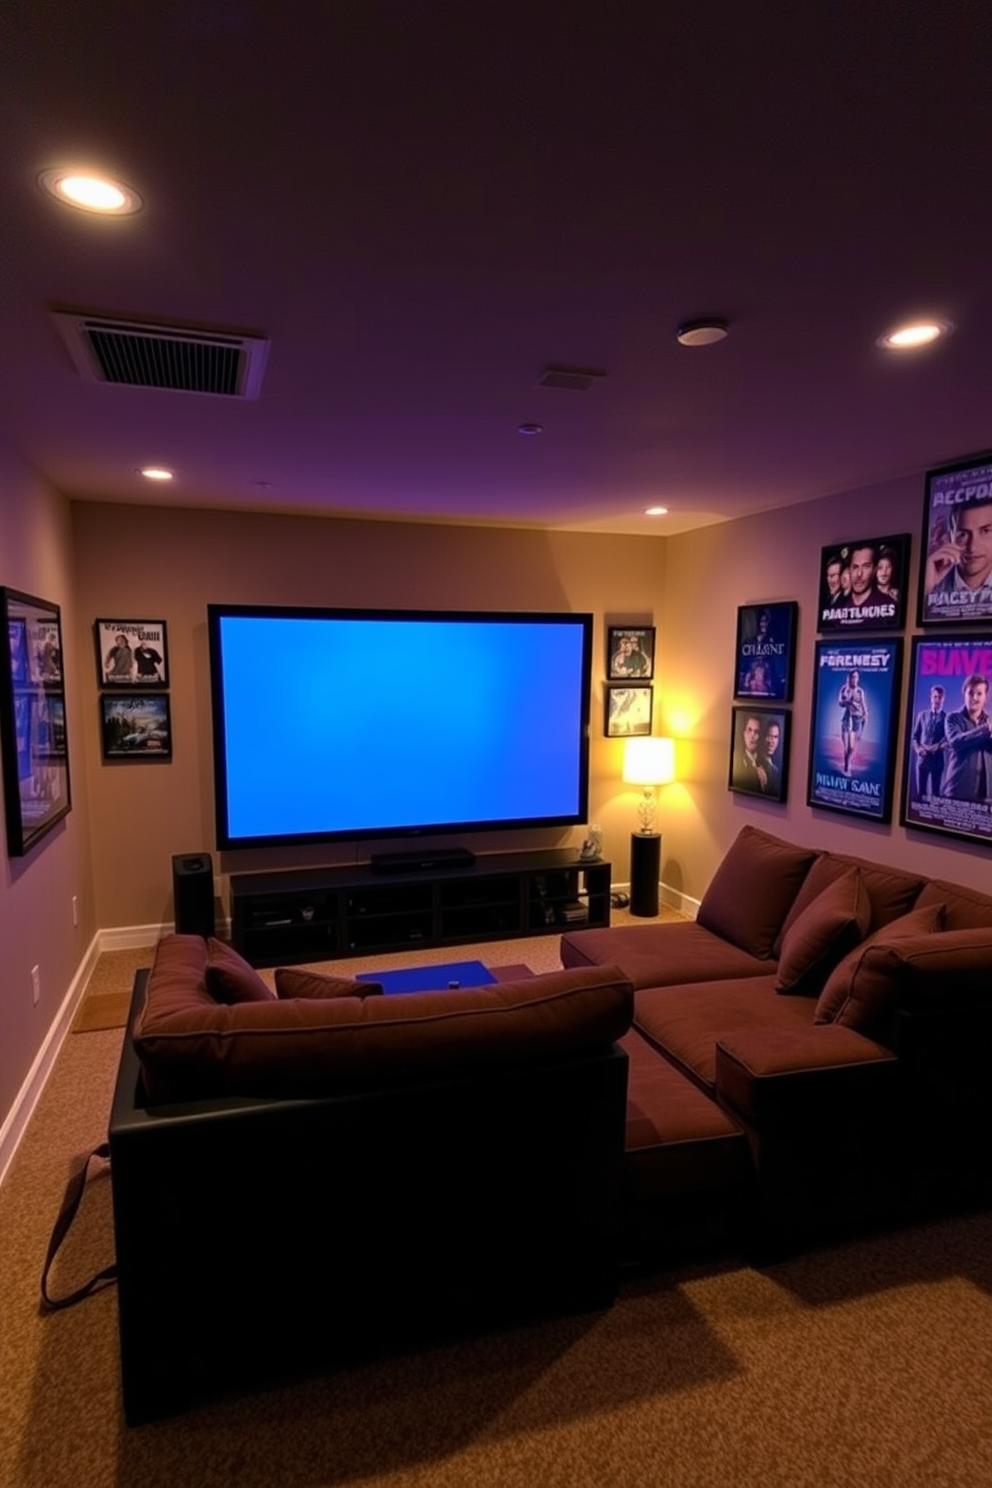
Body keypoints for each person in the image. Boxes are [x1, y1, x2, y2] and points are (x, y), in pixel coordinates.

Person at [925, 499, 992, 604]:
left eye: (985, 531)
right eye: (963, 534)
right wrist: (927, 590)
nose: (972, 547)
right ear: (951, 536)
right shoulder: (931, 585)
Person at [942, 674, 992, 802]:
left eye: (979, 694)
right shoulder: (952, 718)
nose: (974, 698)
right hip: (958, 792)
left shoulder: (989, 721)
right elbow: (956, 743)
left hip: (985, 794)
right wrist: (987, 729)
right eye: (971, 693)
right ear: (964, 694)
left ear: (986, 697)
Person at [912, 685, 947, 800]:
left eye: (940, 697)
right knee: (920, 794)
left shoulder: (947, 718)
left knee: (936, 794)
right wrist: (918, 749)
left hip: (937, 761)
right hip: (923, 760)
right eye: (935, 697)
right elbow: (915, 737)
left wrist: (936, 747)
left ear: (943, 699)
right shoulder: (922, 715)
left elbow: (947, 738)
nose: (937, 700)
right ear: (931, 698)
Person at [839, 544, 891, 619]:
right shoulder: (837, 607)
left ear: (874, 570)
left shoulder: (887, 606)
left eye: (866, 566)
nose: (859, 574)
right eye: (855, 567)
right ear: (849, 570)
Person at [838, 669, 868, 775]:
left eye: (856, 677)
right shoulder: (844, 689)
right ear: (849, 678)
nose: (855, 679)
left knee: (852, 747)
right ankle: (846, 768)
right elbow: (840, 703)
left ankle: (848, 763)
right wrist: (848, 701)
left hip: (857, 719)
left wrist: (865, 715)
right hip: (847, 720)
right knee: (847, 747)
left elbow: (863, 706)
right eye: (853, 677)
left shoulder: (860, 691)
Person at [733, 714, 768, 791]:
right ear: (744, 733)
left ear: (760, 736)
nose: (752, 735)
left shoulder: (766, 764)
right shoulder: (735, 760)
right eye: (749, 730)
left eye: (756, 732)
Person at [760, 719, 782, 796]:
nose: (772, 742)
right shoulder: (757, 766)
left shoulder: (777, 766)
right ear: (763, 737)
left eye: (775, 737)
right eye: (769, 736)